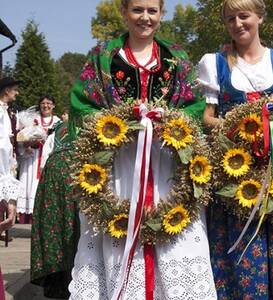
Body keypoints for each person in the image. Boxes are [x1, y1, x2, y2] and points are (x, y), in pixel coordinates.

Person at [67, 0, 217, 299]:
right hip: (120, 166)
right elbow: (81, 105)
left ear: (161, 14)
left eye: (152, 11)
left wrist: (170, 121)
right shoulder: (103, 57)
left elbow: (195, 105)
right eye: (137, 10)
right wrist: (115, 123)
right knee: (117, 235)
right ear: (124, 12)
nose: (145, 17)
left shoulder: (176, 58)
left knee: (175, 236)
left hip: (165, 164)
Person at [198, 0, 273, 298]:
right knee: (238, 248)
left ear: (259, 17)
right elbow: (207, 116)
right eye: (230, 18)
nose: (237, 24)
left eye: (244, 16)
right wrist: (239, 127)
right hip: (235, 172)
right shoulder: (214, 63)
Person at [30, 120, 78, 299]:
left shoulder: (58, 129)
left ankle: (62, 283)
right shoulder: (97, 122)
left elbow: (45, 162)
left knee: (59, 232)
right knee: (73, 231)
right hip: (79, 175)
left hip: (55, 177)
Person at [17, 95, 60, 224]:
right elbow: (21, 138)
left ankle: (43, 218)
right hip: (31, 158)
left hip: (47, 158)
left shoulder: (57, 122)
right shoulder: (32, 120)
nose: (45, 106)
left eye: (48, 103)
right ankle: (26, 218)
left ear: (53, 106)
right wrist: (27, 144)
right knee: (29, 184)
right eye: (43, 103)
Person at [0, 77, 23, 299]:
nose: (16, 93)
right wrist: (9, 199)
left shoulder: (6, 112)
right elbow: (2, 153)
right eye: (14, 90)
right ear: (6, 90)